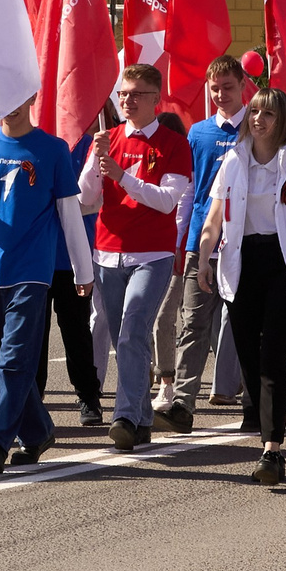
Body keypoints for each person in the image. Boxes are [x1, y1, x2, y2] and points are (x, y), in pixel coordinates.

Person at [196, 87, 286, 486]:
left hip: (283, 264)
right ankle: (266, 429)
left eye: (268, 114)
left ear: (283, 122)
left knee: (274, 354)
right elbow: (214, 221)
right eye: (255, 111)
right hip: (241, 264)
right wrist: (204, 259)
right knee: (249, 358)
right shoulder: (232, 162)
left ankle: (272, 450)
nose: (258, 119)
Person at [0, 85, 92, 476]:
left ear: (32, 100)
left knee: (15, 357)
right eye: (3, 97)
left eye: (18, 97)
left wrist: (81, 270)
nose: (10, 106)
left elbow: (69, 213)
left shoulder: (52, 149)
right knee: (0, 361)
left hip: (32, 271)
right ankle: (37, 431)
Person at [82, 63, 192, 452]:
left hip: (153, 253)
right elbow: (85, 200)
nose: (126, 100)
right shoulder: (107, 138)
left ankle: (125, 415)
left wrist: (121, 176)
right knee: (125, 338)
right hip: (108, 252)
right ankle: (142, 418)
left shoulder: (173, 144)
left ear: (155, 99)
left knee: (131, 329)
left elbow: (166, 201)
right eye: (123, 94)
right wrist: (96, 167)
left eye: (135, 94)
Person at [160, 56, 248, 433]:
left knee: (245, 324)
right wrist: (184, 241)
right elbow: (190, 193)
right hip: (204, 243)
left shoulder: (258, 127)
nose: (221, 94)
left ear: (243, 85)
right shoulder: (197, 134)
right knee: (193, 322)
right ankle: (182, 402)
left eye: (228, 87)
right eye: (215, 88)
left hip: (246, 243)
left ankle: (253, 402)